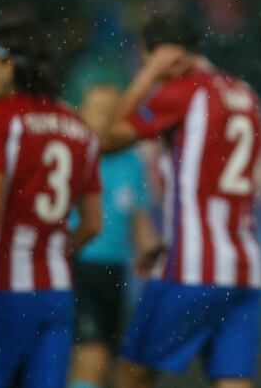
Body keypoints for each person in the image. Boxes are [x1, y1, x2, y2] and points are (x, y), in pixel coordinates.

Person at [100, 14, 261, 388]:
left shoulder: (184, 91)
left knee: (129, 375)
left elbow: (106, 138)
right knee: (233, 380)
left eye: (147, 59)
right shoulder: (244, 92)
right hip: (244, 266)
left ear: (164, 55)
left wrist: (147, 78)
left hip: (194, 267)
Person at [0, 18, 102, 388]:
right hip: (56, 293)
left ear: (10, 65)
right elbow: (92, 223)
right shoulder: (78, 127)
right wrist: (56, 251)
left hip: (0, 286)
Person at [69, 84, 163, 388]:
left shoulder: (132, 162)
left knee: (108, 363)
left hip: (115, 274)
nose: (106, 119)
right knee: (91, 358)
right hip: (78, 268)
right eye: (98, 111)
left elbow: (140, 219)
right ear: (80, 115)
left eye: (113, 112)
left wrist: (153, 248)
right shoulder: (72, 156)